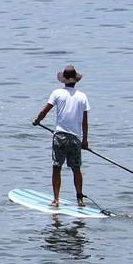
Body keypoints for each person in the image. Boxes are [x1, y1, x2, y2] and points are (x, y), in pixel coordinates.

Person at [32, 65, 90, 207]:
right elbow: (85, 122)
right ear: (75, 80)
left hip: (60, 137)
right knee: (76, 168)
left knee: (56, 167)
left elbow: (45, 111)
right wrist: (85, 141)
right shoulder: (82, 96)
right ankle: (80, 199)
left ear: (64, 80)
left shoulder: (57, 93)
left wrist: (37, 121)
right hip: (75, 139)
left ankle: (56, 199)